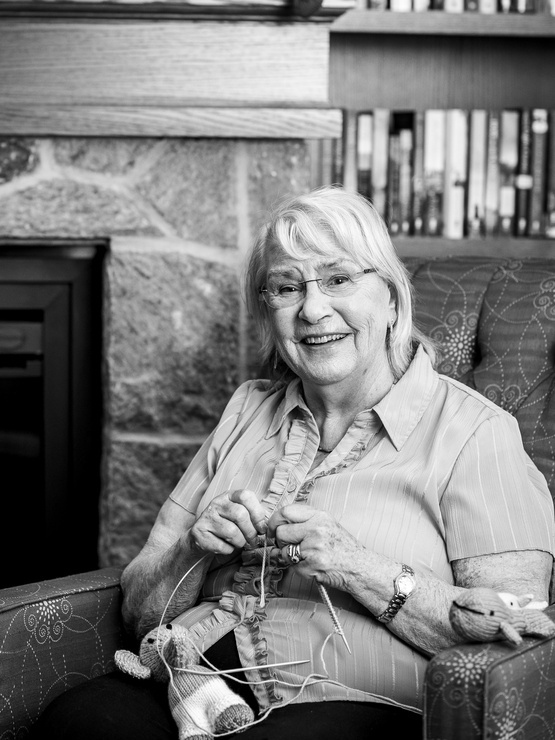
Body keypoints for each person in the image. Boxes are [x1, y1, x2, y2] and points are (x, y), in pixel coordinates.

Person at [30, 186, 555, 740]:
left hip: (356, 701)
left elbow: (518, 636)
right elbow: (139, 611)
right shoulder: (247, 410)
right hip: (190, 680)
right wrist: (193, 551)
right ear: (269, 311)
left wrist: (357, 565)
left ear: (393, 299)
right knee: (79, 724)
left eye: (338, 279)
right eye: (286, 287)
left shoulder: (475, 431)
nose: (312, 308)